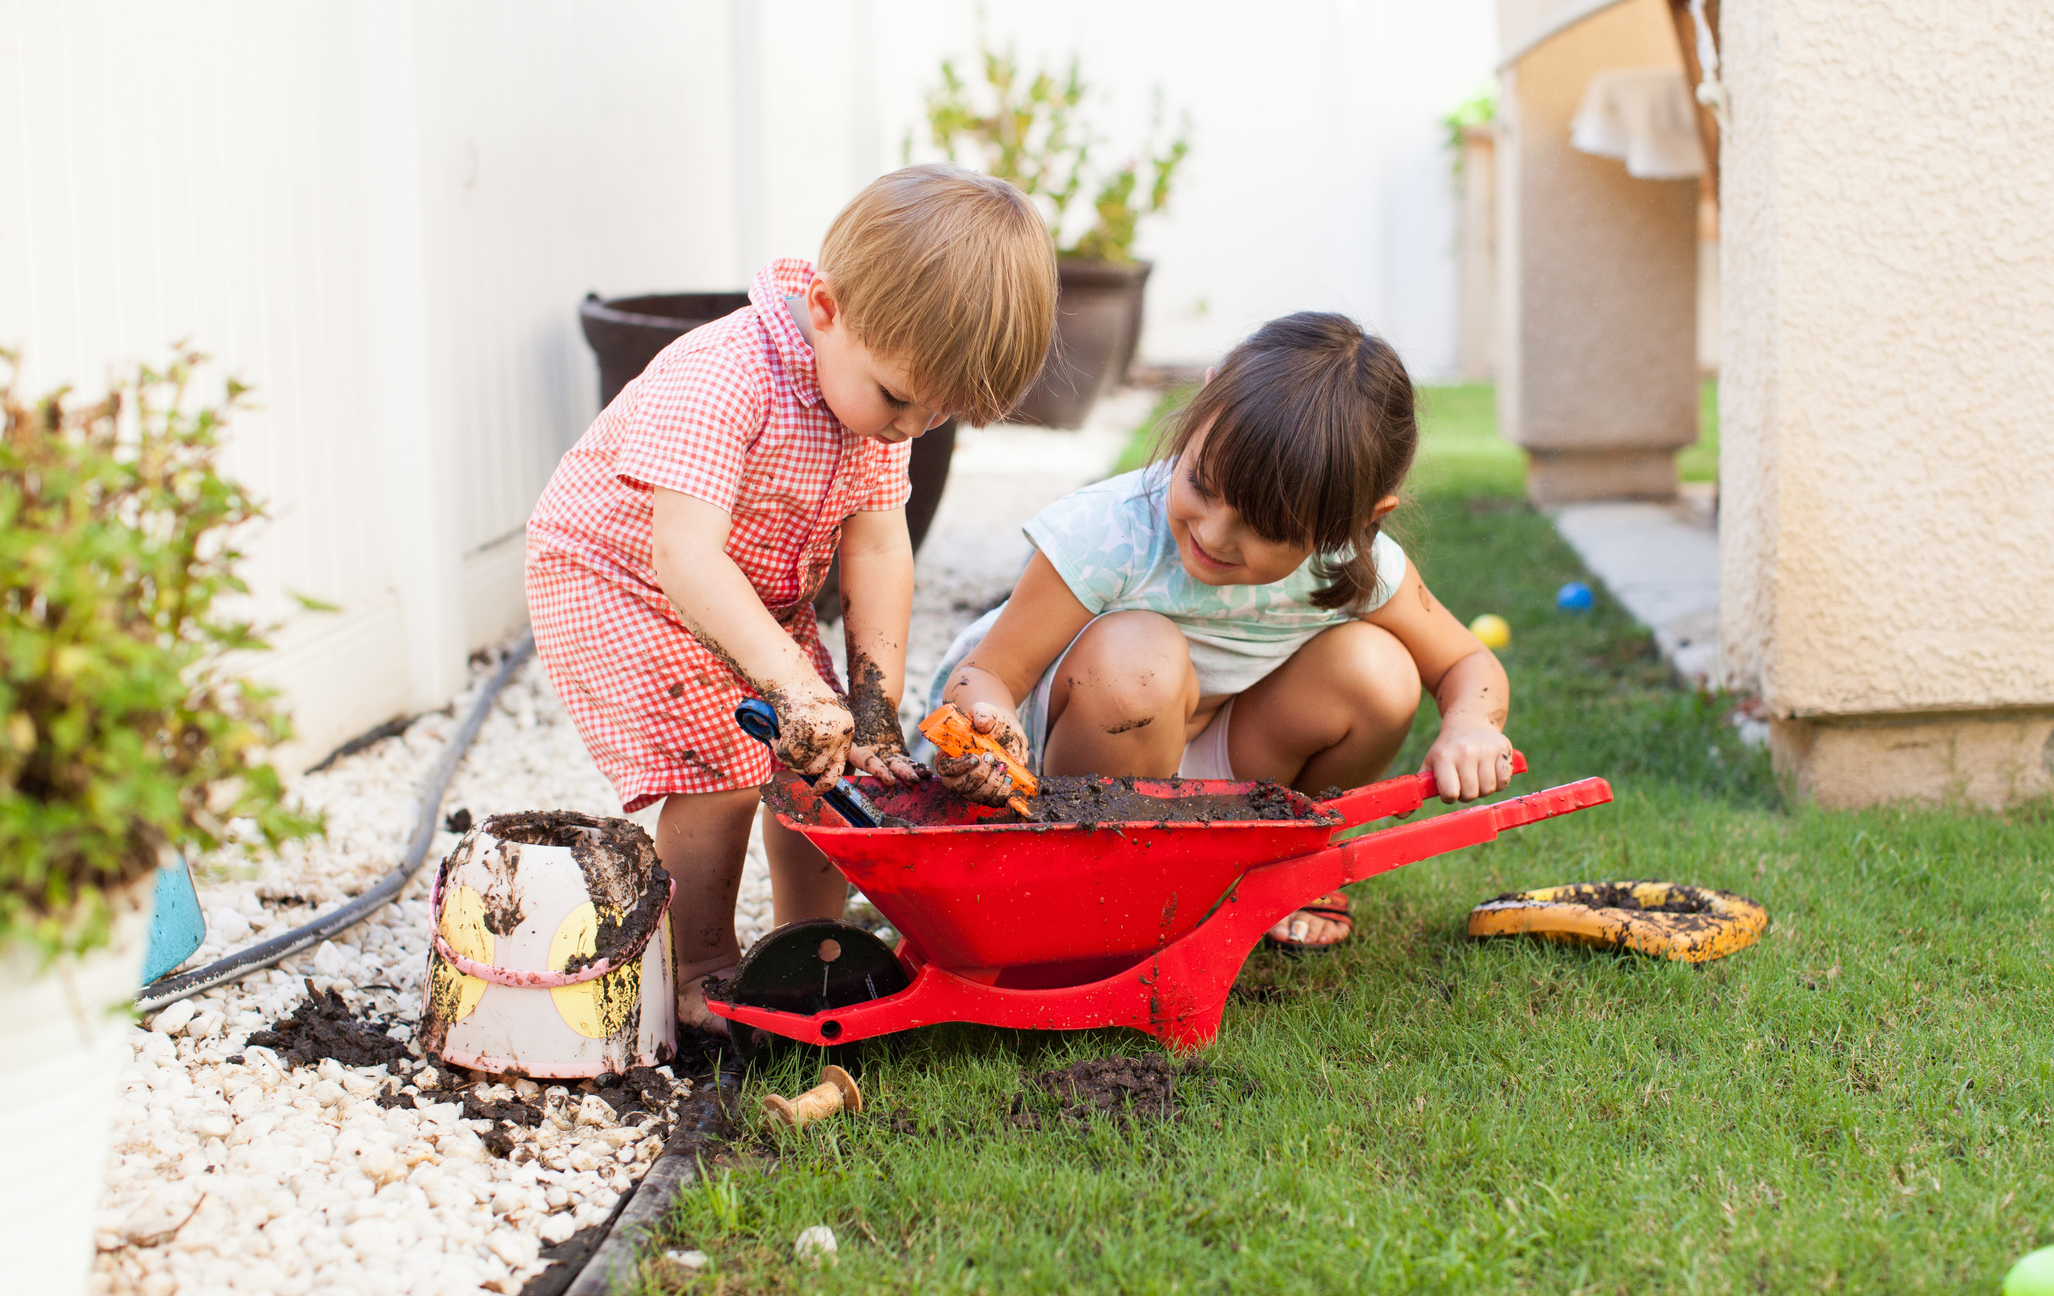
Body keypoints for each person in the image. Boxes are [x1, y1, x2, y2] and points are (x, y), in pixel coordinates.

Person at [527, 165, 1056, 1025]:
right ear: (825, 310)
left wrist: (870, 709)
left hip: (753, 597)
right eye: (898, 400)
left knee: (828, 760)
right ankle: (694, 967)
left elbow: (881, 549)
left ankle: (811, 944)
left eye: (936, 417)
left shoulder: (877, 397)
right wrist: (799, 686)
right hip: (622, 579)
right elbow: (686, 558)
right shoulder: (722, 375)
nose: (908, 430)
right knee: (722, 770)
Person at [929, 311, 1515, 953]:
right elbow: (986, 674)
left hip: (1211, 766)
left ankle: (1278, 860)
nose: (1211, 534)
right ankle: (1099, 881)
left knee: (1382, 671)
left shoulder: (1346, 564)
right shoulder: (1110, 533)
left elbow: (1465, 662)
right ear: (1203, 399)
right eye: (1201, 485)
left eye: (1265, 528)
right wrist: (985, 729)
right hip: (1060, 768)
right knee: (1139, 660)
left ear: (1352, 523)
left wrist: (1471, 725)